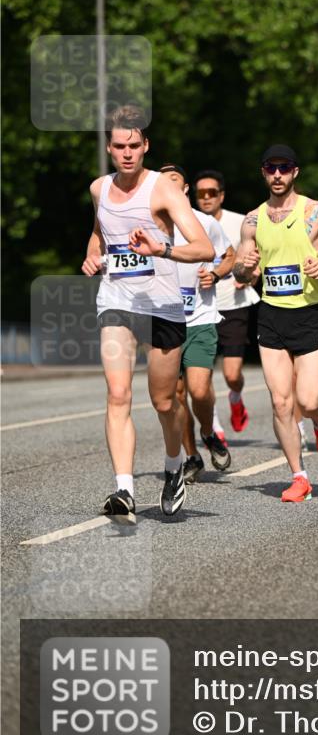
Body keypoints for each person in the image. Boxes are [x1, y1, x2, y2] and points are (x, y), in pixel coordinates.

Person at [81, 107, 214, 521]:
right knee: (118, 393)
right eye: (119, 146)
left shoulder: (163, 191)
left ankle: (174, 466)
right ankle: (124, 490)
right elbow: (101, 231)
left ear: (146, 147)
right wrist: (92, 254)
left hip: (163, 307)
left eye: (134, 146)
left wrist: (162, 249)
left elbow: (204, 248)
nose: (126, 153)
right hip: (117, 301)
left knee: (163, 400)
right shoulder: (99, 189)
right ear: (108, 146)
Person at [233, 145, 318, 502]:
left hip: (310, 313)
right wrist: (245, 267)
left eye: (284, 168)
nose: (277, 175)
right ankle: (299, 476)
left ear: (295, 172)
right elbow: (241, 270)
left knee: (307, 398)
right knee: (281, 402)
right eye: (271, 168)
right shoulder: (252, 220)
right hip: (271, 315)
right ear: (263, 173)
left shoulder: (316, 212)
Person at [159, 164, 235, 483]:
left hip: (200, 319)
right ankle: (191, 457)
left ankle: (208, 432)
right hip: (165, 321)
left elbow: (229, 255)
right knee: (175, 397)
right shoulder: (149, 225)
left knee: (199, 391)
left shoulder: (204, 222)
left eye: (174, 183)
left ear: (185, 189)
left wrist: (216, 273)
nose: (169, 189)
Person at [193, 169, 260, 442]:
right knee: (203, 374)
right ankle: (216, 427)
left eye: (212, 193)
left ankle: (235, 395)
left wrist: (251, 276)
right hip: (201, 307)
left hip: (234, 303)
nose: (206, 198)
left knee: (232, 374)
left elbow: (255, 257)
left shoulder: (238, 222)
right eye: (201, 193)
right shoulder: (189, 222)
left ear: (221, 195)